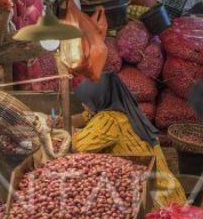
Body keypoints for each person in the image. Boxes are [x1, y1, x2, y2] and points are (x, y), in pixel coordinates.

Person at [73, 73, 186, 207]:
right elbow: (86, 115)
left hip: (154, 203)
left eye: (86, 101)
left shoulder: (109, 119)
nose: (83, 104)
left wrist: (66, 134)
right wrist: (63, 121)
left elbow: (78, 146)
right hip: (170, 192)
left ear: (99, 99)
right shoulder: (125, 109)